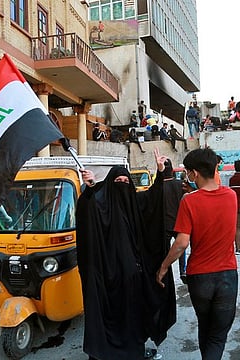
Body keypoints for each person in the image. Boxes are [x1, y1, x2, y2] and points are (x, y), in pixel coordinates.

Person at [76, 149, 176, 360]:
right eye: (117, 180)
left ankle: (133, 350)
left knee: (133, 316)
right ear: (110, 184)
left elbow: (153, 198)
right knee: (111, 314)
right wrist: (91, 186)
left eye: (125, 180)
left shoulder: (135, 202)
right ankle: (108, 351)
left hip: (133, 275)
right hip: (109, 275)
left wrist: (159, 173)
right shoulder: (102, 205)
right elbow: (90, 204)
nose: (122, 184)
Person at [156, 148, 238, 360]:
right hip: (227, 275)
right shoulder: (232, 196)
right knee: (218, 336)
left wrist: (163, 267)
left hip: (199, 277)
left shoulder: (189, 201)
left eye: (188, 172)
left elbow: (182, 243)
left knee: (205, 325)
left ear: (194, 173)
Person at [162, 159, 186, 283]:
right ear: (172, 170)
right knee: (181, 248)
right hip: (179, 222)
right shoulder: (180, 184)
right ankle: (183, 271)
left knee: (165, 250)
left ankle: (165, 270)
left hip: (165, 224)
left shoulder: (158, 187)